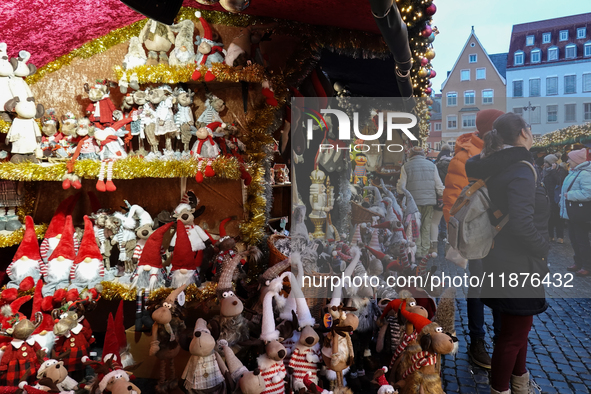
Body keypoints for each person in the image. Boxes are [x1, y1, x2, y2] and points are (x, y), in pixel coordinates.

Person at [465, 113, 549, 394]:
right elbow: (523, 225)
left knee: (516, 332)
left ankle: (520, 384)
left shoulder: (495, 165)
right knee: (513, 336)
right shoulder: (521, 168)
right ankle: (501, 388)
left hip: (498, 257)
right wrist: (542, 248)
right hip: (518, 262)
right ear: (524, 133)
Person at [442, 109, 503, 369]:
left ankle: (502, 341)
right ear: (492, 129)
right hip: (479, 237)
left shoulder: (502, 153)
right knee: (477, 290)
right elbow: (453, 201)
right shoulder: (466, 156)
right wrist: (464, 238)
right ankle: (478, 341)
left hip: (502, 235)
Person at [397, 146, 444, 258]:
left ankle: (416, 251)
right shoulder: (432, 166)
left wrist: (400, 193)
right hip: (429, 201)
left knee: (415, 227)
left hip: (413, 202)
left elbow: (401, 187)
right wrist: (440, 197)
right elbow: (439, 185)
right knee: (426, 226)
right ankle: (425, 251)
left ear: (411, 155)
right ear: (423, 154)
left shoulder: (406, 166)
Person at [560, 148, 591, 276]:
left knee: (581, 240)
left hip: (579, 213)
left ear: (576, 161)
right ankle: (578, 262)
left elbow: (588, 193)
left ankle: (587, 265)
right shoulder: (574, 172)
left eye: (570, 159)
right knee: (574, 239)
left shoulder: (584, 174)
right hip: (572, 212)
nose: (568, 161)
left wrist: (569, 195)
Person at [431, 143, 452, 251]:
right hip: (452, 196)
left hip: (439, 196)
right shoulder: (455, 164)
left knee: (435, 221)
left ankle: (434, 247)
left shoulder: (436, 165)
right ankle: (448, 248)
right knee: (450, 222)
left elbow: (435, 182)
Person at [542, 154, 567, 243]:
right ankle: (550, 235)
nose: (544, 164)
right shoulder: (545, 171)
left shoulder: (560, 171)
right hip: (548, 197)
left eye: (546, 162)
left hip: (557, 197)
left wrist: (553, 171)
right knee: (549, 217)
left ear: (551, 163)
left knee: (558, 217)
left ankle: (560, 236)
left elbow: (559, 181)